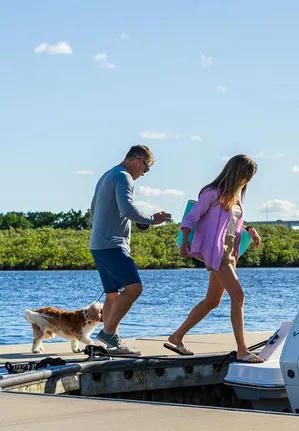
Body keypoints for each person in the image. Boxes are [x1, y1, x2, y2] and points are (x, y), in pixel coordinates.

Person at [165, 154, 264, 362]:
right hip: (217, 252)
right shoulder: (212, 193)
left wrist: (250, 230)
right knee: (238, 296)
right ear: (238, 172)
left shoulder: (235, 197)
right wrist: (183, 242)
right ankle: (242, 350)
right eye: (248, 175)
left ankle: (177, 337)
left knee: (212, 301)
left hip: (230, 252)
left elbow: (230, 223)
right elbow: (192, 217)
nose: (249, 180)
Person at [89, 145, 171, 355]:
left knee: (112, 294)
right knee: (134, 288)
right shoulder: (124, 177)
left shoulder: (108, 174)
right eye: (146, 169)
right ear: (138, 160)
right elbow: (127, 208)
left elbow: (95, 209)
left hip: (98, 243)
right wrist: (153, 219)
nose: (143, 174)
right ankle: (108, 335)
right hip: (112, 244)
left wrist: (129, 221)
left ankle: (103, 345)